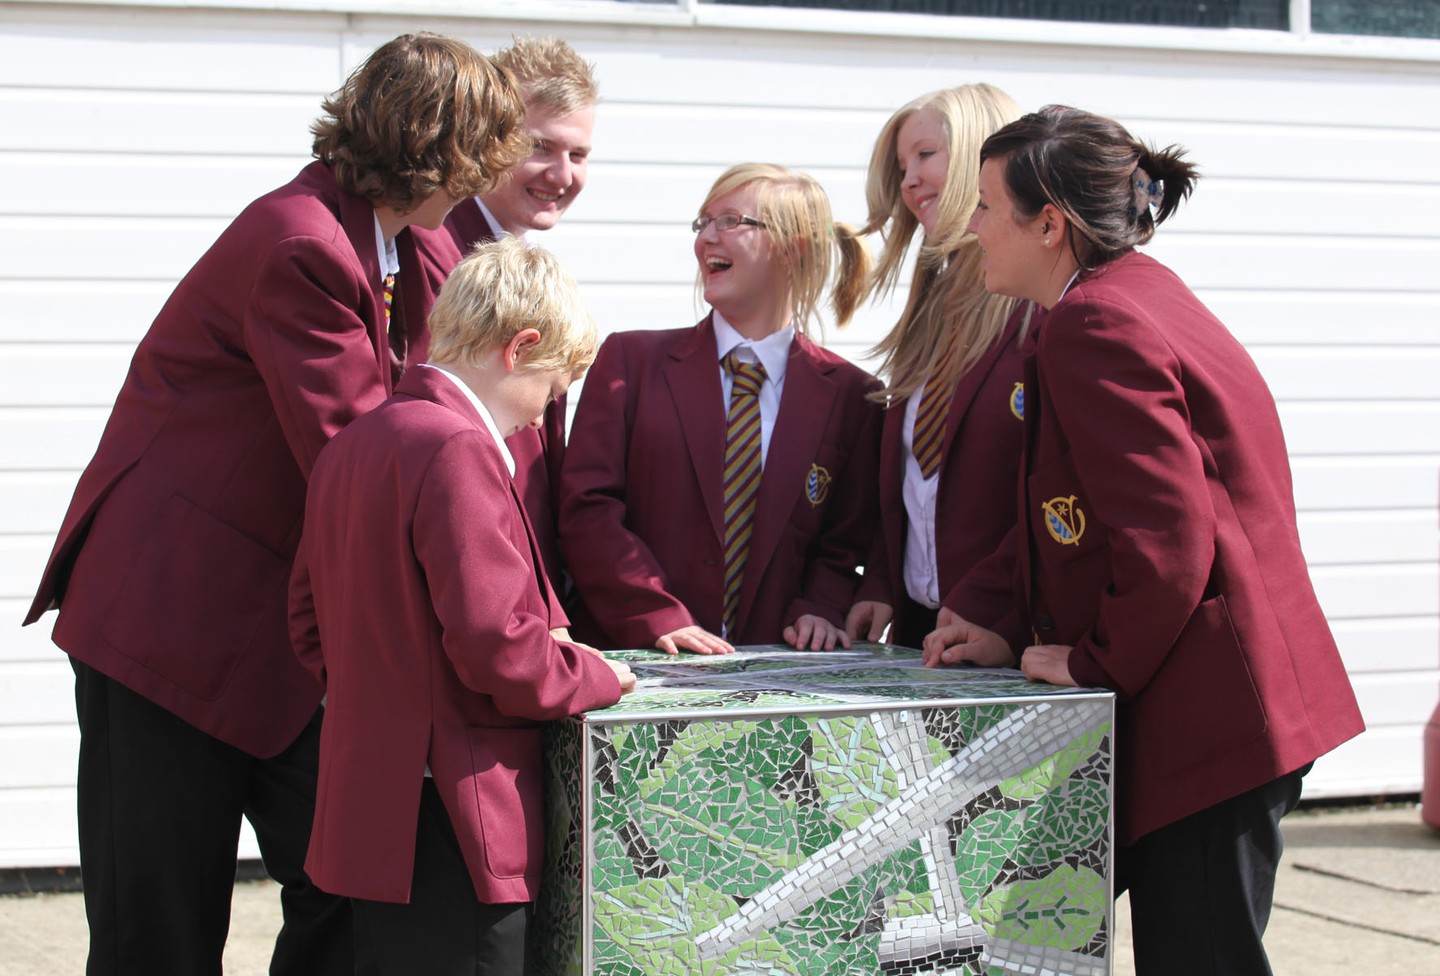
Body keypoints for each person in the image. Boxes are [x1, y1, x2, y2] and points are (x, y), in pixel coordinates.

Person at [20, 33, 527, 975]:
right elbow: (366, 459)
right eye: (487, 155)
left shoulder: (404, 243)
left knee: (345, 891)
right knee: (156, 937)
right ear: (442, 150)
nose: (492, 180)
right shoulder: (301, 242)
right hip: (166, 628)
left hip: (279, 647)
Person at [925, 104, 1366, 975]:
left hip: (1211, 723)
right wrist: (1001, 621)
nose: (969, 227)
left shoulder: (1098, 325)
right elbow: (1076, 511)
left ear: (1049, 222)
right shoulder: (1130, 296)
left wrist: (1092, 663)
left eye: (982, 206)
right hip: (1230, 707)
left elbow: (1167, 547)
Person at [290, 237, 635, 975]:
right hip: (456, 812)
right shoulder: (456, 446)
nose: (545, 415)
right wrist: (597, 676)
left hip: (371, 807)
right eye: (554, 387)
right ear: (521, 348)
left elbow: (306, 622)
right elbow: (498, 647)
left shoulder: (356, 442)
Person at [560, 163, 881, 654]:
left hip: (778, 683)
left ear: (794, 245)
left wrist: (820, 605)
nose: (705, 238)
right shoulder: (630, 362)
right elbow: (588, 509)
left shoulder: (852, 396)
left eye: (730, 221)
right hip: (637, 665)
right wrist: (653, 612)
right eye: (702, 223)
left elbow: (844, 543)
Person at [841, 84, 1039, 651]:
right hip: (924, 634)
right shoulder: (928, 310)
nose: (908, 181)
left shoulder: (1039, 310)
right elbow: (909, 477)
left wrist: (990, 610)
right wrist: (881, 580)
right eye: (902, 165)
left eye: (925, 155)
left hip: (1008, 638)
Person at [442, 36, 598, 592]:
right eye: (540, 147)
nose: (562, 175)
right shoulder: (435, 258)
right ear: (491, 139)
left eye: (578, 155)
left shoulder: (522, 259)